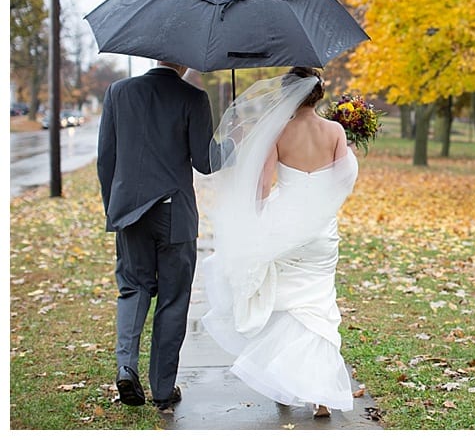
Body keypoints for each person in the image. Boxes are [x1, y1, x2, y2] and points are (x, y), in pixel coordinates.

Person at [201, 66, 358, 418]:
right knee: (319, 308)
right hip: (320, 232)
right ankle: (321, 398)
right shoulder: (334, 131)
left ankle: (285, 385)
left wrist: (254, 221)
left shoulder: (277, 132)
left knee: (283, 306)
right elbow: (341, 180)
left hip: (284, 229)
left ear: (288, 95)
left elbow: (262, 185)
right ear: (317, 94)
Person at [97, 60, 218, 412]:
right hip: (174, 214)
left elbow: (106, 160)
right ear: (183, 59)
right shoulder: (193, 98)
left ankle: (126, 366)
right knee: (173, 299)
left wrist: (115, 208)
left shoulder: (118, 93)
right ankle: (163, 390)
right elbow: (206, 162)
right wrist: (233, 142)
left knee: (133, 288)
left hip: (130, 212)